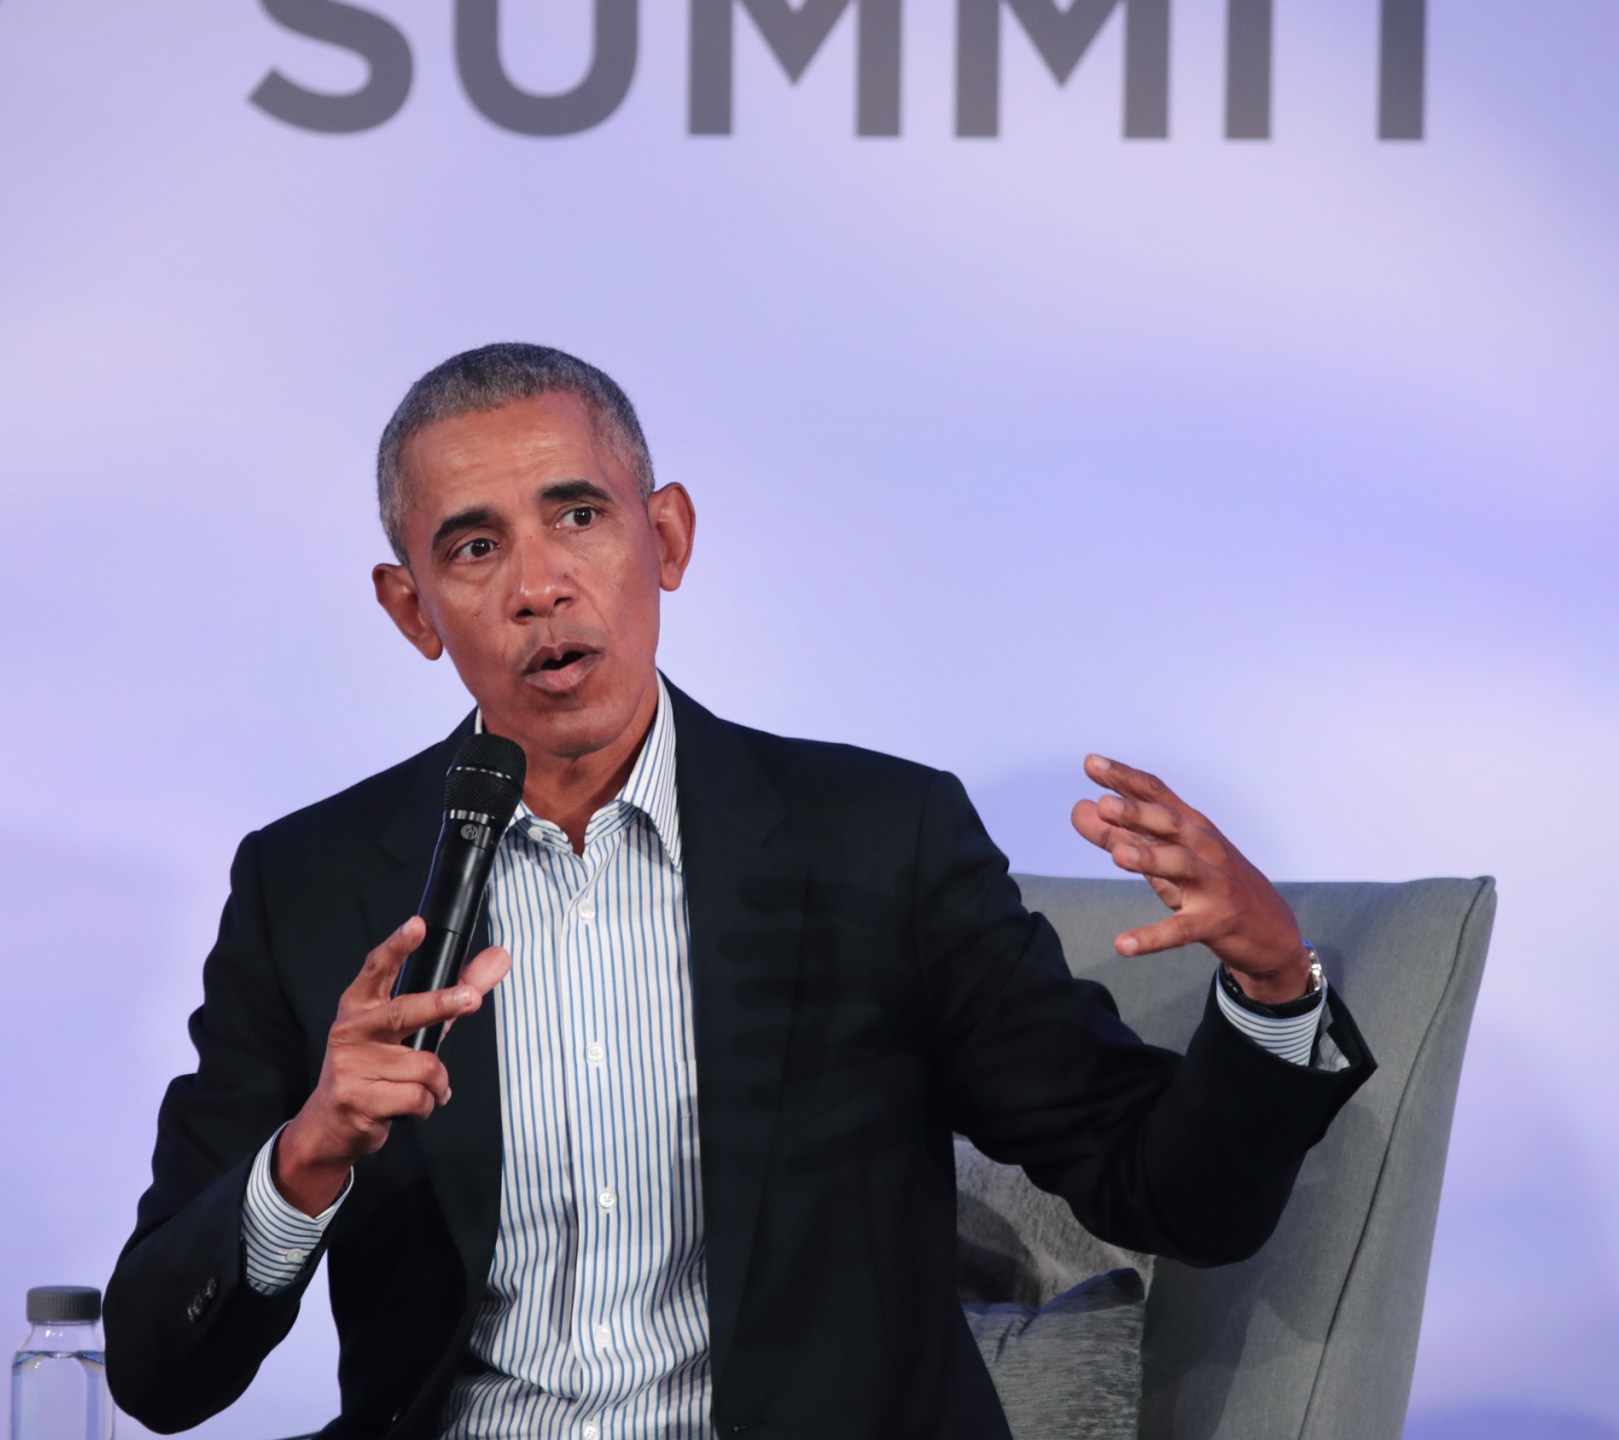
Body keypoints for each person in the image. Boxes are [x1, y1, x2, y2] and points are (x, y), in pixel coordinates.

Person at [103, 343, 1376, 1440]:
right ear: (413, 610)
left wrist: (1270, 983)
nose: (539, 583)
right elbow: (161, 1373)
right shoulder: (309, 886)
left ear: (666, 538)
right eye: (475, 546)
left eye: (578, 517)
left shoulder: (877, 841)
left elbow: (1161, 1191)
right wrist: (304, 1160)